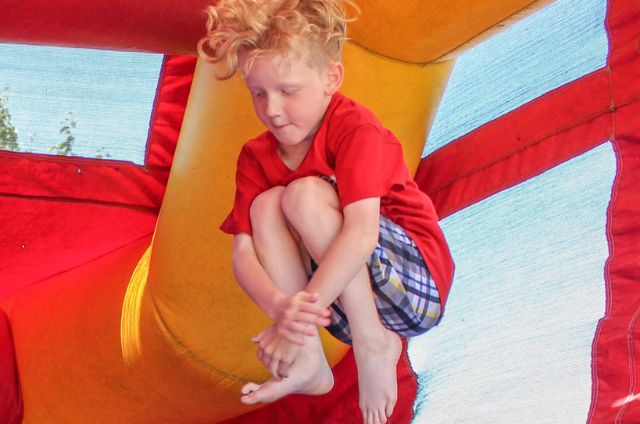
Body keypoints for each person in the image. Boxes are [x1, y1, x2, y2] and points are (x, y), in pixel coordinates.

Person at [198, 1, 454, 423]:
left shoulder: (354, 127)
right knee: (266, 205)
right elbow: (242, 254)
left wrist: (293, 317)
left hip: (415, 284)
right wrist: (282, 309)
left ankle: (375, 343)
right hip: (343, 313)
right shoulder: (255, 157)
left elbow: (361, 233)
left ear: (330, 78)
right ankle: (310, 361)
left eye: (288, 91)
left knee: (301, 195)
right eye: (258, 94)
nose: (272, 110)